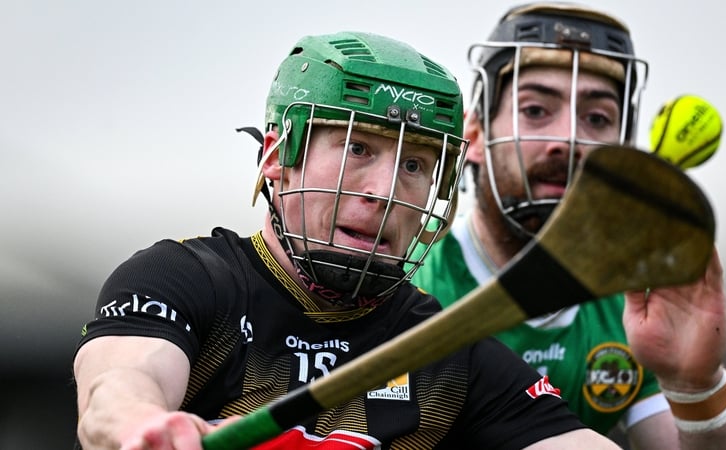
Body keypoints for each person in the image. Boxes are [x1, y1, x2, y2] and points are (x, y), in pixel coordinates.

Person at [72, 31, 635, 450]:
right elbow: (118, 385)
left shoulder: (445, 349)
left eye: (415, 163)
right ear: (277, 158)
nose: (386, 192)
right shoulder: (187, 280)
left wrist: (694, 382)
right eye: (358, 149)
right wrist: (144, 424)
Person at [410, 3, 726, 450]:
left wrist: (698, 386)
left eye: (597, 119)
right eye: (536, 110)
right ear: (475, 137)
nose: (569, 140)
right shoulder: (408, 288)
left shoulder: (633, 308)